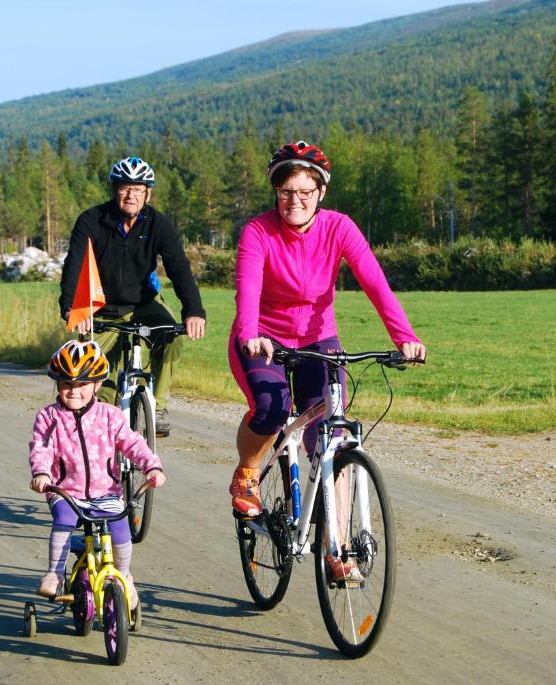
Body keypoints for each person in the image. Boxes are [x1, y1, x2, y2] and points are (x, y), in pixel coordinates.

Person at [227, 140, 426, 578]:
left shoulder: (339, 228)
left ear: (320, 193)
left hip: (319, 341)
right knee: (272, 406)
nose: (293, 201)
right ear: (274, 192)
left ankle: (336, 551)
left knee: (330, 436)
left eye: (303, 192)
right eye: (285, 192)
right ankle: (248, 472)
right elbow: (248, 291)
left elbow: (375, 283)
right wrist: (250, 335)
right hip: (264, 340)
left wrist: (405, 337)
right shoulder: (258, 232)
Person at [59, 156, 206, 437]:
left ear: (148, 193)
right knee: (89, 371)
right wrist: (70, 308)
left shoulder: (158, 224)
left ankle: (158, 405)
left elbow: (179, 268)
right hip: (101, 308)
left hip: (144, 305)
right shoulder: (92, 220)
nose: (132, 195)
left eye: (139, 189)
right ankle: (94, 432)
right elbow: (74, 265)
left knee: (171, 338)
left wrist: (194, 311)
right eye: (126, 188)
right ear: (115, 190)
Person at [29, 340, 165, 606]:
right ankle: (55, 573)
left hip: (106, 492)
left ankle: (123, 576)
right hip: (66, 492)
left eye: (81, 385)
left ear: (97, 385)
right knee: (64, 519)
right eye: (66, 384)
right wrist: (42, 473)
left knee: (121, 529)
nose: (73, 391)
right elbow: (41, 448)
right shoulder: (49, 417)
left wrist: (152, 465)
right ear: (57, 384)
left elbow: (133, 442)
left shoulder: (110, 416)